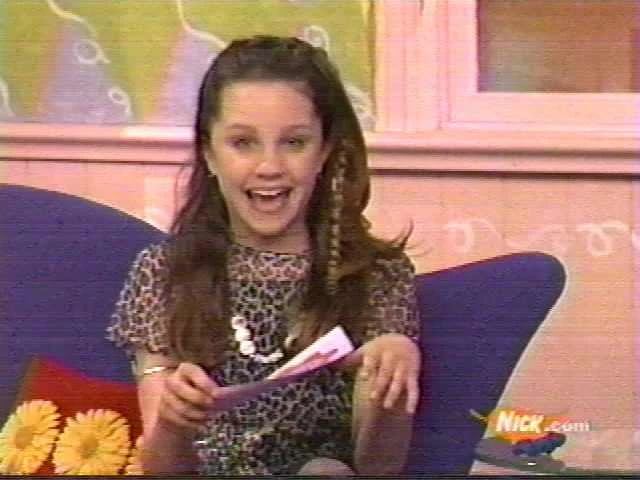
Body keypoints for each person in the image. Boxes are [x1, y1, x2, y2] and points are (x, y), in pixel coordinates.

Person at [106, 35, 420, 475]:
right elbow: (164, 470)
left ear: (324, 152)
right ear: (208, 153)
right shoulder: (163, 272)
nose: (269, 166)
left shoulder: (377, 276)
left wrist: (392, 391)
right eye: (243, 142)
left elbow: (378, 469)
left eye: (294, 143)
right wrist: (174, 424)